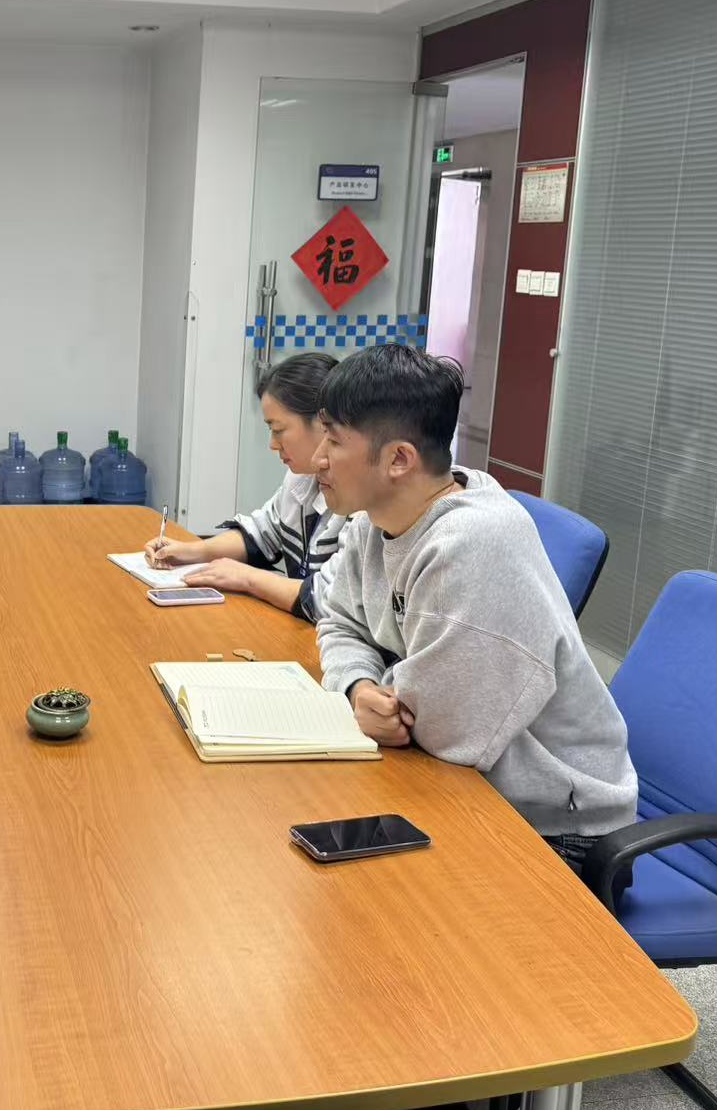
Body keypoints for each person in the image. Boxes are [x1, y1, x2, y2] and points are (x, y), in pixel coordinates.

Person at [309, 343, 637, 888]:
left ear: (398, 460)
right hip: (466, 780)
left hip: (555, 828)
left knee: (361, 899)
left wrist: (380, 703)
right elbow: (340, 620)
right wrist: (357, 686)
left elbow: (439, 733)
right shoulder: (375, 518)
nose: (317, 458)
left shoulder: (473, 544)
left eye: (334, 440)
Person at [142, 354, 346, 621]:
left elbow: (331, 599)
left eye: (278, 430)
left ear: (323, 425)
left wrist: (248, 578)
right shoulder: (301, 479)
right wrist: (190, 552)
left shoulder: (360, 501)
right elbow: (262, 535)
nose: (273, 444)